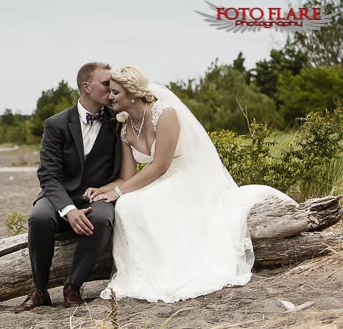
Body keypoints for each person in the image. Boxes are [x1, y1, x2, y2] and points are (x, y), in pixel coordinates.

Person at [88, 66, 295, 303]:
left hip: (187, 177)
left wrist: (118, 192)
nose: (110, 97)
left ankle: (170, 270)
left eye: (115, 92)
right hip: (160, 181)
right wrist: (103, 191)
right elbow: (126, 178)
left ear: (132, 93)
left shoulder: (165, 114)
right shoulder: (125, 129)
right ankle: (148, 270)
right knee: (126, 203)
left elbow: (161, 165)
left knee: (131, 203)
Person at [14, 62, 123, 311]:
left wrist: (105, 193)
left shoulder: (118, 122)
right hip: (58, 195)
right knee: (39, 218)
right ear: (86, 87)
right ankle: (39, 289)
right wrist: (68, 210)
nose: (111, 89)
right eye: (106, 83)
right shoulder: (56, 124)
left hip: (98, 195)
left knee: (103, 219)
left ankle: (73, 286)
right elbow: (48, 175)